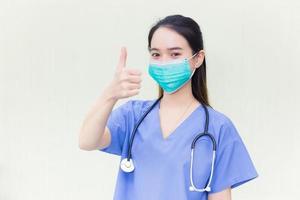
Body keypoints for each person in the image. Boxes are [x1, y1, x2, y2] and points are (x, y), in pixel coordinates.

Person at [79, 14, 258, 200]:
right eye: (156, 54)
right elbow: (87, 141)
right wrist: (109, 95)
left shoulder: (218, 128)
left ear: (198, 59)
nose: (164, 62)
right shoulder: (133, 115)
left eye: (175, 54)